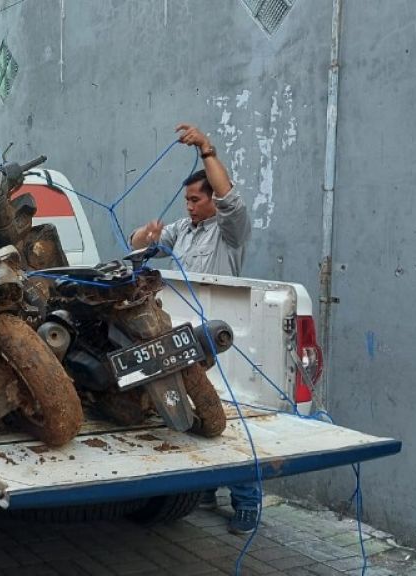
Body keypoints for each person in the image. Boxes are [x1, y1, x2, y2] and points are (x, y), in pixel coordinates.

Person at [129, 123, 257, 534]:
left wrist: (206, 148)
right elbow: (139, 245)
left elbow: (231, 201)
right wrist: (144, 235)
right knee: (200, 411)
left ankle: (247, 503)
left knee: (230, 417)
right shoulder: (184, 230)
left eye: (195, 199)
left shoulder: (229, 231)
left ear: (212, 199)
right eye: (186, 199)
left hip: (220, 335)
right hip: (186, 335)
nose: (188, 206)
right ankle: (205, 489)